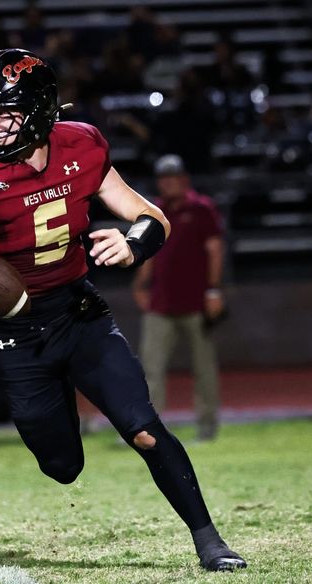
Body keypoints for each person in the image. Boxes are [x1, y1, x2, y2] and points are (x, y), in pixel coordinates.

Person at [0, 48, 246, 572]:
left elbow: (151, 216)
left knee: (143, 428)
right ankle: (58, 405)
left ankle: (210, 540)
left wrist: (133, 244)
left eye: (4, 113)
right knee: (62, 466)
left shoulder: (82, 143)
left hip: (79, 312)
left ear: (40, 109)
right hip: (15, 330)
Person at [132, 154, 226, 441]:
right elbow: (147, 250)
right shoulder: (154, 210)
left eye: (174, 177)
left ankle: (207, 426)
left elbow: (215, 250)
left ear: (185, 179)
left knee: (204, 367)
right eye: (164, 178)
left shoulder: (201, 208)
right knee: (149, 368)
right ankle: (149, 430)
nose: (169, 183)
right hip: (161, 303)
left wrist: (213, 290)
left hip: (196, 302)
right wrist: (140, 284)